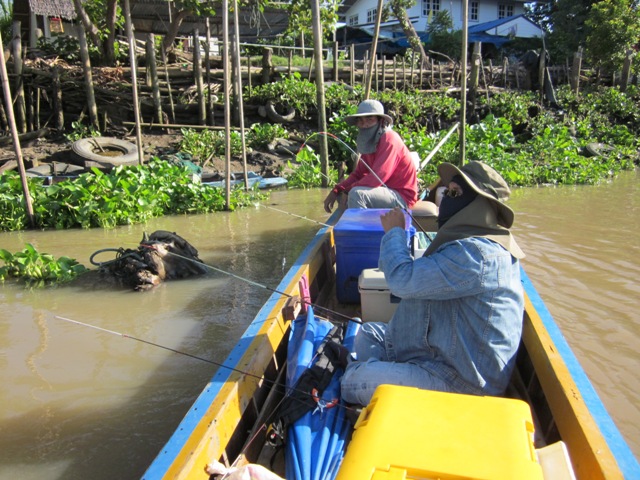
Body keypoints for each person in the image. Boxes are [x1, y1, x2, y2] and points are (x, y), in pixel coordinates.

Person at [340, 161, 526, 406]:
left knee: (351, 381)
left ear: (479, 207)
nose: (447, 200)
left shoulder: (477, 255)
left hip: (463, 383)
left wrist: (394, 233)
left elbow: (401, 280)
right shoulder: (470, 243)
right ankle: (389, 387)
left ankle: (383, 391)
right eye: (447, 192)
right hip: (440, 355)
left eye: (456, 194)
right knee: (368, 331)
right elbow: (407, 276)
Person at [323, 100, 418, 213]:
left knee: (356, 194)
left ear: (381, 121)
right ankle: (348, 225)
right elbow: (358, 174)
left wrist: (347, 190)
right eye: (361, 121)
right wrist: (337, 189)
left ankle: (360, 229)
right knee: (340, 194)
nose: (364, 124)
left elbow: (377, 178)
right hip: (383, 192)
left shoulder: (389, 139)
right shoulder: (371, 142)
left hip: (401, 197)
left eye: (370, 119)